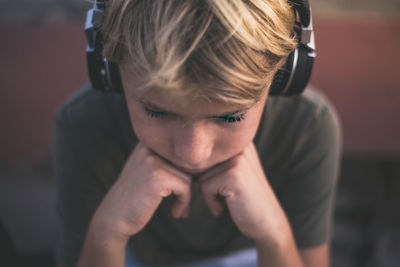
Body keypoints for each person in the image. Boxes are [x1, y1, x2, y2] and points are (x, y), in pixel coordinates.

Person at [53, 0, 342, 266]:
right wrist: (109, 231)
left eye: (231, 116)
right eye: (156, 111)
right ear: (111, 70)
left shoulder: (308, 127)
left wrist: (273, 232)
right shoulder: (84, 123)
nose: (193, 153)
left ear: (284, 77)